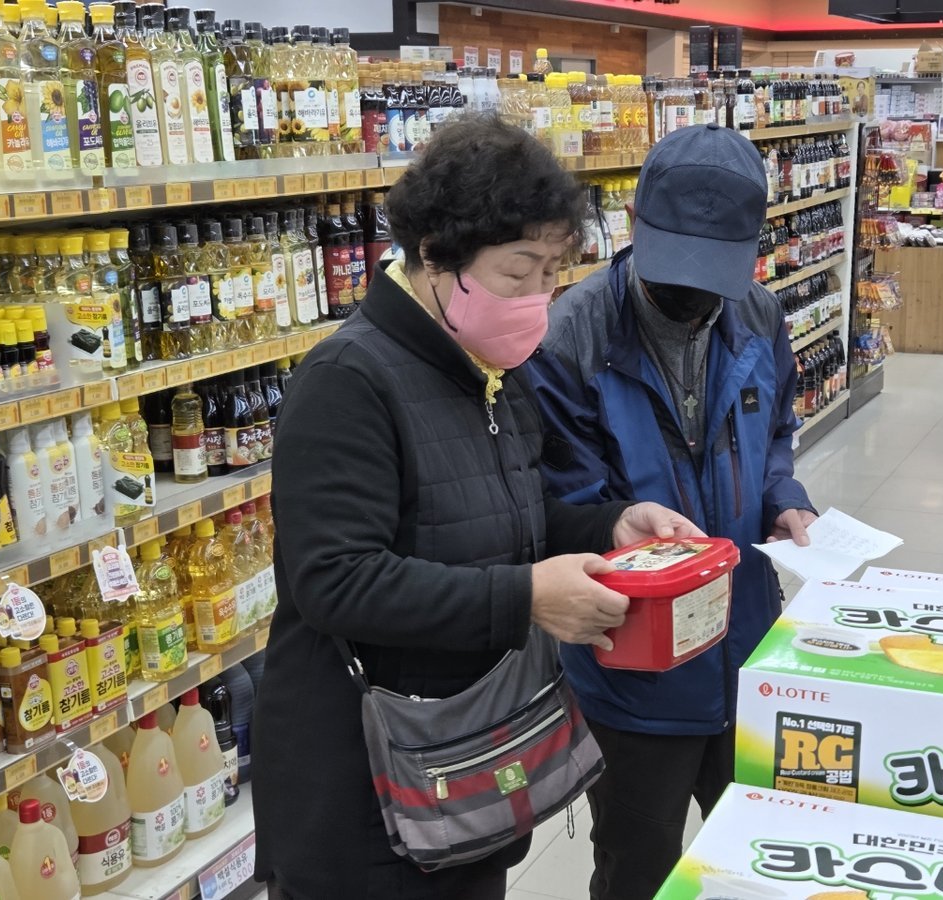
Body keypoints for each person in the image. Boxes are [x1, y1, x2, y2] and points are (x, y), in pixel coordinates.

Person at [251, 116, 701, 900]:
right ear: (435, 256)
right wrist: (527, 597)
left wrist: (612, 525)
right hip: (362, 790)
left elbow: (508, 516)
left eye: (551, 272)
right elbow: (336, 582)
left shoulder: (492, 368)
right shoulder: (347, 382)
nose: (537, 297)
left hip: (463, 766)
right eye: (517, 271)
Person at [526, 123, 817, 900]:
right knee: (638, 869)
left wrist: (783, 498)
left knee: (754, 867)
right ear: (634, 225)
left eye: (713, 270)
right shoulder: (570, 339)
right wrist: (626, 525)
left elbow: (776, 432)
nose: (692, 295)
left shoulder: (759, 316)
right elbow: (564, 505)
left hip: (746, 648)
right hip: (634, 675)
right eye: (675, 266)